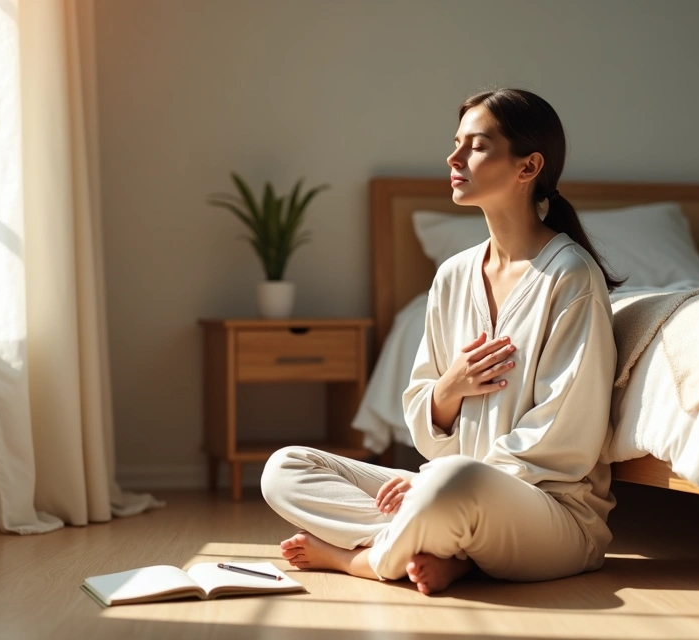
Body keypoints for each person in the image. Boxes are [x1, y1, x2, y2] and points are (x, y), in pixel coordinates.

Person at [260, 88, 623, 594]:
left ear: (528, 167)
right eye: (456, 143)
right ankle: (450, 552)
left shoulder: (570, 277)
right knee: (286, 467)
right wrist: (447, 389)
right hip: (445, 491)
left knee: (452, 483)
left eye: (476, 146)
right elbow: (424, 430)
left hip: (551, 512)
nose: (453, 158)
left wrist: (435, 479)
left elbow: (563, 440)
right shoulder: (452, 275)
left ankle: (356, 561)